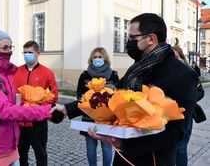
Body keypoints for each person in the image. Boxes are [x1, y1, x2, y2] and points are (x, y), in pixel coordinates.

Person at [52, 13, 198, 166]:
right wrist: (68, 109)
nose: (128, 43)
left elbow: (176, 132)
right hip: (123, 158)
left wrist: (125, 145)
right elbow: (111, 96)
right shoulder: (137, 67)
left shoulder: (183, 74)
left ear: (151, 39)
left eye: (132, 38)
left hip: (152, 159)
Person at [0, 26, 55, 166]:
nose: (9, 51)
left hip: (11, 146)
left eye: (10, 47)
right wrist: (46, 111)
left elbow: (15, 103)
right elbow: (5, 110)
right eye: (4, 48)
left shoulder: (7, 73)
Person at [13, 41, 58, 166]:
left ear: (38, 53)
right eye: (25, 52)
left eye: (30, 52)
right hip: (20, 121)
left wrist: (38, 106)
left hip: (38, 121)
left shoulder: (47, 72)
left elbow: (53, 95)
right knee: (21, 153)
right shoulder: (17, 71)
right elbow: (13, 92)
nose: (27, 55)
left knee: (41, 153)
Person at [75, 47, 119, 166]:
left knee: (106, 148)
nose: (97, 59)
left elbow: (118, 96)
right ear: (91, 59)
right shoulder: (85, 75)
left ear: (105, 59)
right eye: (95, 57)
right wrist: (88, 102)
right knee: (90, 148)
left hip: (106, 120)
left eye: (100, 57)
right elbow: (79, 95)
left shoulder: (113, 75)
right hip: (88, 118)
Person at [172, 46, 205, 166]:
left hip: (185, 115)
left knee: (181, 148)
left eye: (176, 57)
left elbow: (201, 91)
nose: (173, 60)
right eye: (171, 57)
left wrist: (189, 99)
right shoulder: (164, 73)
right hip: (167, 115)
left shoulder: (190, 72)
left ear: (181, 57)